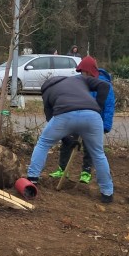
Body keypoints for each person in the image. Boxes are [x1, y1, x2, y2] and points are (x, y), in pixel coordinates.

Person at [27, 68, 114, 202]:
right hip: (92, 117)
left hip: (64, 115)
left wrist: (66, 138)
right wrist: (97, 107)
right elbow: (104, 85)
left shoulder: (47, 91)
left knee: (43, 143)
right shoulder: (79, 79)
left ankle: (32, 179)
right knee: (98, 153)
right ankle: (107, 192)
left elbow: (51, 118)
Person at [49, 56, 116, 184]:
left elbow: (109, 106)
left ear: (89, 71)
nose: (81, 75)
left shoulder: (104, 84)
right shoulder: (79, 82)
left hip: (93, 121)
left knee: (90, 146)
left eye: (83, 72)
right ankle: (62, 169)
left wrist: (106, 125)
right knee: (67, 142)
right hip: (76, 116)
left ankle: (86, 172)